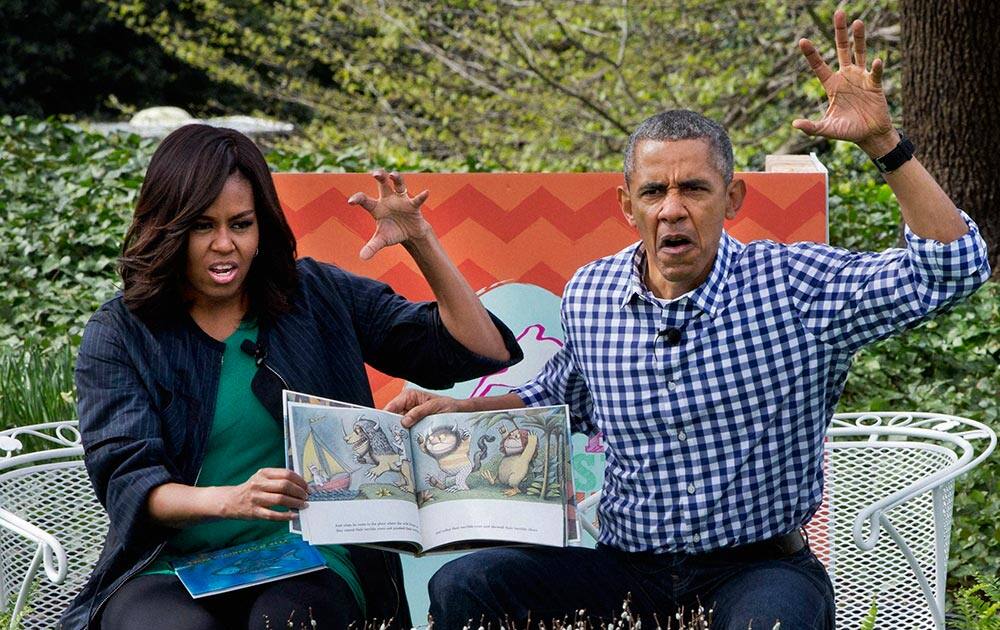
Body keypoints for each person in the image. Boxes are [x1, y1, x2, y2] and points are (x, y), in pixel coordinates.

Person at [387, 10, 991, 629]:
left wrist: (884, 145)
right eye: (653, 193)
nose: (672, 210)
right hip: (628, 568)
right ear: (628, 205)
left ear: (731, 200)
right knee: (469, 584)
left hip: (758, 569)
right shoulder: (592, 292)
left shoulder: (797, 286)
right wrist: (460, 410)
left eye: (694, 190)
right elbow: (560, 398)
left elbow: (954, 269)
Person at [59, 124, 522, 630]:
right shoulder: (121, 332)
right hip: (165, 565)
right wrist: (232, 499)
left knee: (289, 621)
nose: (223, 245)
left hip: (308, 556)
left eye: (240, 224)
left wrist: (421, 241)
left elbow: (478, 349)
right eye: (201, 226)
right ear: (168, 227)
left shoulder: (314, 295)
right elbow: (130, 483)